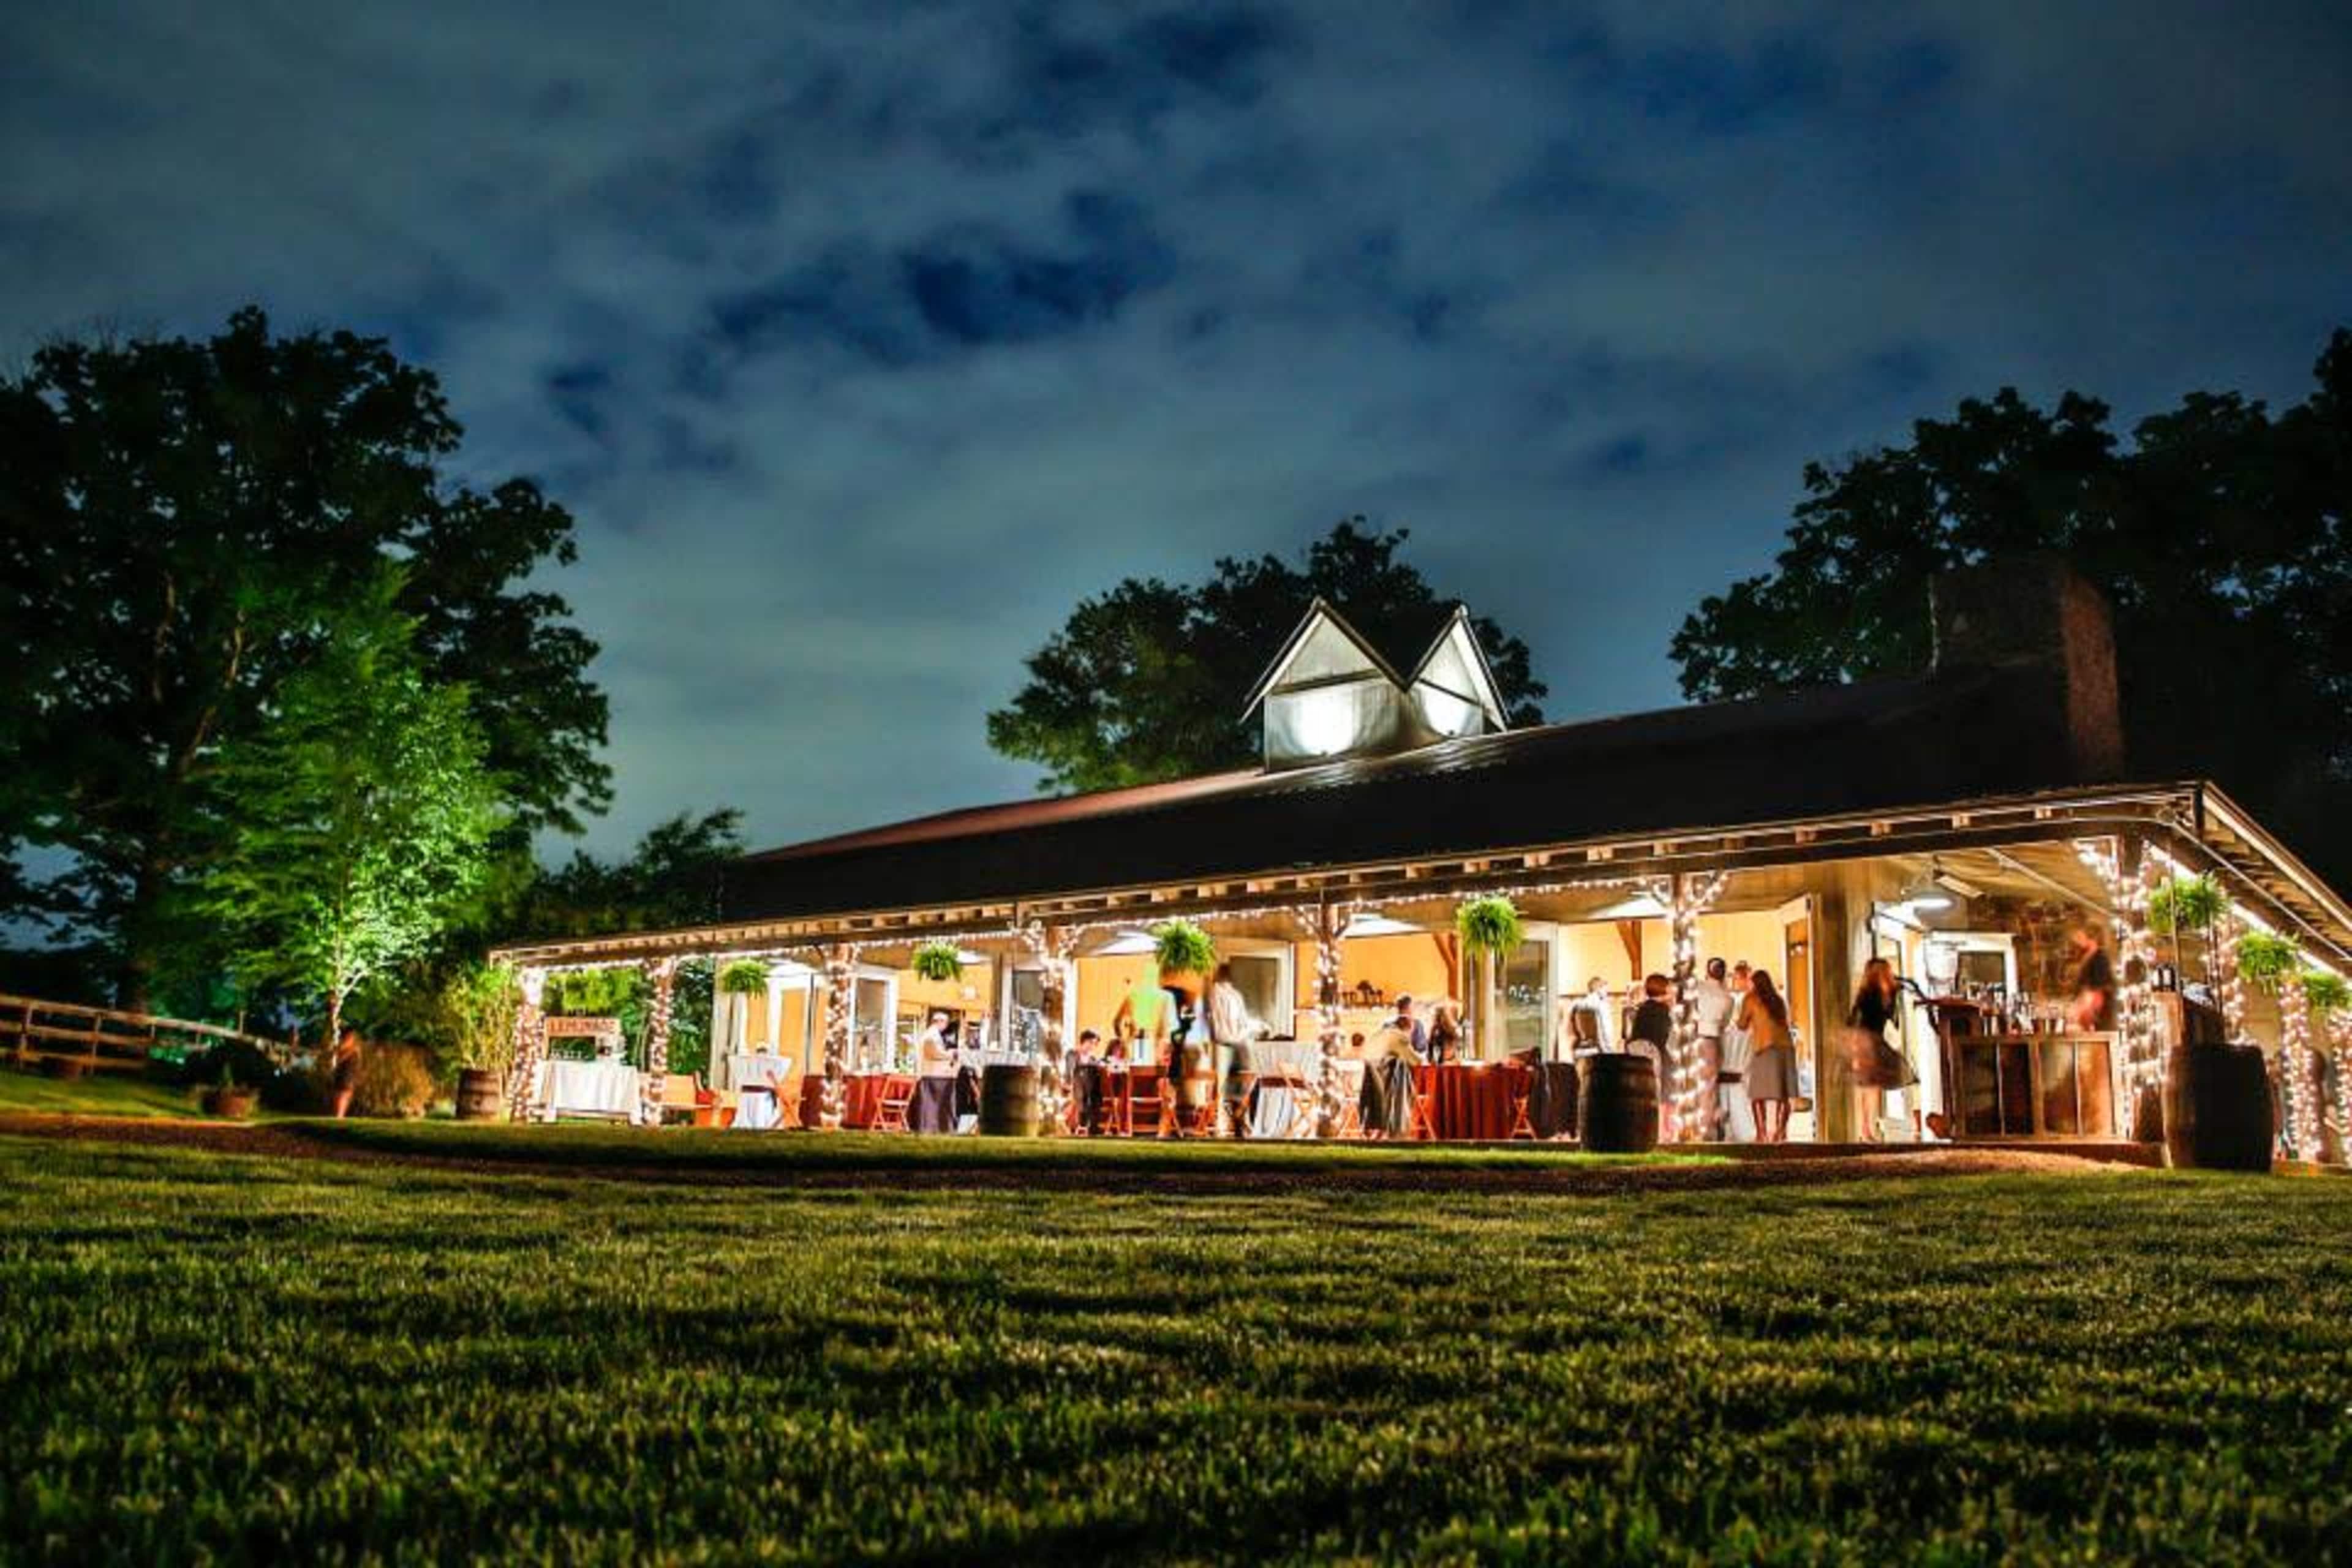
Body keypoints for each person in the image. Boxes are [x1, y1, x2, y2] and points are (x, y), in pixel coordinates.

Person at [1844, 957, 1908, 1143]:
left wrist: (1892, 992)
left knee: (1873, 1086)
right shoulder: (1867, 994)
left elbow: (1892, 1018)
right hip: (1864, 1041)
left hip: (1876, 1041)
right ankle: (1865, 1128)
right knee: (1867, 1086)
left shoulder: (1889, 993)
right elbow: (1854, 1019)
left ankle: (1868, 1128)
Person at [1207, 963, 1262, 1138]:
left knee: (1232, 1085)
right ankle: (1240, 1118)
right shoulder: (1231, 995)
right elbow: (1241, 1022)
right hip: (1235, 1043)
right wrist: (1257, 1026)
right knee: (1245, 1082)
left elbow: (1214, 1021)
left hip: (1222, 1044)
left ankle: (1237, 1117)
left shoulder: (1214, 994)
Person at [1741, 970, 1796, 1142]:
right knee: (1783, 1093)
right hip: (1786, 1048)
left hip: (1765, 1047)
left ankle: (1762, 1133)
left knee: (1758, 1094)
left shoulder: (1751, 999)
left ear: (1754, 984)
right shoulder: (1778, 1000)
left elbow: (1742, 1024)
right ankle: (1781, 1132)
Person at [1690, 957, 1736, 1140]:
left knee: (1692, 1084)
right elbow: (1725, 1024)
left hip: (1693, 1038)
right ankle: (1707, 1128)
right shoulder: (1728, 998)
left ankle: (1694, 1125)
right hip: (1712, 1040)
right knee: (1708, 1087)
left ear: (1707, 971)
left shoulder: (1697, 988)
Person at [1626, 974, 1676, 1137]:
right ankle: (1664, 1129)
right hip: (1656, 1054)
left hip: (1639, 1055)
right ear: (1664, 989)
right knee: (1665, 1090)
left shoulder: (1642, 1009)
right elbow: (1667, 1038)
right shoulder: (1663, 1011)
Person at [1717, 961, 1758, 1143]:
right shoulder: (1739, 998)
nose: (1734, 982)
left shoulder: (1744, 998)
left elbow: (1741, 1022)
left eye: (1736, 978)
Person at [2067, 927, 2117, 1031]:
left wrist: (2086, 1007)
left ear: (2091, 939)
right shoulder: (2087, 956)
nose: (2076, 941)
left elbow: (2098, 988)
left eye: (2079, 937)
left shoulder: (2100, 957)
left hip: (2100, 1012)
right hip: (2091, 1008)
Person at [329, 1029, 362, 1119]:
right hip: (343, 1073)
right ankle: (339, 1116)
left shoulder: (354, 1048)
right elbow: (337, 1053)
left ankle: (339, 1116)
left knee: (344, 1094)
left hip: (348, 1074)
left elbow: (341, 1056)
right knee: (340, 1094)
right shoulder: (348, 1047)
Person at [1389, 994, 1428, 1059]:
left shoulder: (1417, 1024)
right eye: (1402, 1009)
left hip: (1413, 1060)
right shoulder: (1390, 1025)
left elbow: (1422, 1049)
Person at [1426, 1001, 1464, 1065]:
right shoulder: (1451, 1029)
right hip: (1450, 1061)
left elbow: (1431, 1055)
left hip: (1446, 1063)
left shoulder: (1435, 1031)